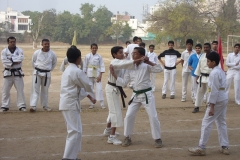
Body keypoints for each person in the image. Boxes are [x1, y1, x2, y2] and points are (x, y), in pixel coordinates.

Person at [111, 47, 164, 148]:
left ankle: (157, 138)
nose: (133, 55)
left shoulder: (146, 66)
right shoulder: (130, 68)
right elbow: (124, 83)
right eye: (133, 53)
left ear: (141, 55)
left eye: (135, 53)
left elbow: (159, 69)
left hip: (147, 95)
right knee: (129, 116)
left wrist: (149, 62)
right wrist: (114, 75)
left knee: (153, 117)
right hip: (135, 95)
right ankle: (127, 137)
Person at [188, 52, 229, 156]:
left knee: (206, 123)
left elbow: (214, 90)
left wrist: (212, 106)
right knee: (221, 122)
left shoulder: (214, 73)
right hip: (223, 97)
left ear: (213, 62)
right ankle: (225, 146)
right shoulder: (220, 70)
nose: (207, 63)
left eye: (208, 61)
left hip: (218, 99)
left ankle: (201, 147)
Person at [59, 46, 96, 160]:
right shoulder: (76, 71)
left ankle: (72, 156)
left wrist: (88, 95)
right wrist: (83, 71)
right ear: (79, 58)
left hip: (69, 103)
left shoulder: (69, 70)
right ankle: (68, 158)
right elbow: (88, 86)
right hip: (70, 104)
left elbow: (80, 87)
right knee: (74, 131)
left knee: (78, 131)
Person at [103, 46, 144, 145]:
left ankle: (108, 129)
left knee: (113, 110)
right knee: (116, 112)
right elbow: (125, 63)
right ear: (114, 55)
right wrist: (139, 59)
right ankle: (111, 137)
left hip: (116, 89)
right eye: (120, 52)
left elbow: (125, 67)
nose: (123, 54)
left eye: (123, 52)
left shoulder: (121, 62)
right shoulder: (114, 62)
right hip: (111, 89)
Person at [30, 39, 57, 112]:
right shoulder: (37, 53)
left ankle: (45, 106)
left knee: (45, 90)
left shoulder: (53, 54)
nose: (47, 45)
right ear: (42, 44)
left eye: (48, 44)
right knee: (35, 90)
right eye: (45, 44)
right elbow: (33, 62)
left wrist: (48, 70)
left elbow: (54, 63)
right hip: (37, 73)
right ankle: (33, 106)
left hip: (47, 73)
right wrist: (38, 69)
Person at [0, 36, 26, 112]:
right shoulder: (4, 51)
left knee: (20, 89)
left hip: (18, 72)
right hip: (8, 72)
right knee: (5, 90)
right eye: (11, 42)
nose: (12, 43)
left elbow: (20, 59)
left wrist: (11, 60)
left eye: (14, 41)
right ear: (8, 42)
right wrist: (14, 61)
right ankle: (5, 106)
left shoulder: (20, 50)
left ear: (15, 42)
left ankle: (21, 105)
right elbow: (4, 61)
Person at [83, 43, 105, 109]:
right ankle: (92, 103)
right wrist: (85, 74)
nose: (94, 49)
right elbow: (85, 66)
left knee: (99, 89)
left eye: (95, 48)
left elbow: (102, 66)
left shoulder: (99, 56)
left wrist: (100, 75)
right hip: (89, 73)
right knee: (90, 89)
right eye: (93, 48)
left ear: (97, 49)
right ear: (91, 48)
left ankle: (102, 103)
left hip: (97, 73)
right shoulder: (87, 56)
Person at [192, 43, 212, 113]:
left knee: (209, 93)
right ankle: (197, 106)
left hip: (210, 78)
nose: (206, 49)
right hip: (202, 77)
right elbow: (198, 67)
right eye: (205, 47)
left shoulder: (213, 56)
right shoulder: (202, 56)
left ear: (210, 48)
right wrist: (197, 77)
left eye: (207, 47)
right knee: (199, 92)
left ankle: (209, 106)